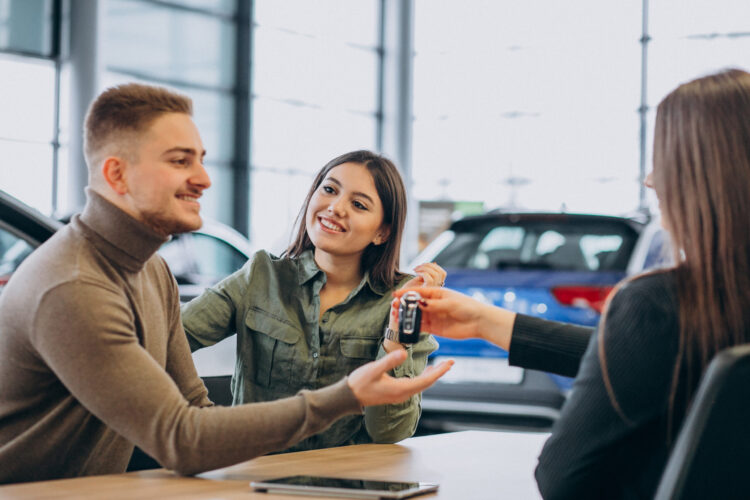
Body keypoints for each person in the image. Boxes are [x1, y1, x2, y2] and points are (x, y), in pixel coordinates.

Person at [0, 83, 452, 484]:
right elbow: (181, 436)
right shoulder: (75, 285)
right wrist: (343, 397)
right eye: (180, 161)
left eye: (200, 160)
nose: (204, 179)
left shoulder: (151, 271)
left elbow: (194, 408)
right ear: (116, 175)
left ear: (382, 231)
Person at [394, 68, 750, 499]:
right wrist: (488, 322)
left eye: (664, 159)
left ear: (702, 177)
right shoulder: (716, 305)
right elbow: (643, 356)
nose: (650, 180)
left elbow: (563, 480)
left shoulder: (660, 303)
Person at [182, 150, 445, 452]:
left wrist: (396, 339)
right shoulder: (261, 276)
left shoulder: (402, 300)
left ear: (382, 233)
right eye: (330, 189)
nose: (335, 208)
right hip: (258, 477)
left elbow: (390, 432)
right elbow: (171, 338)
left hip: (353, 484)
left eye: (358, 204)